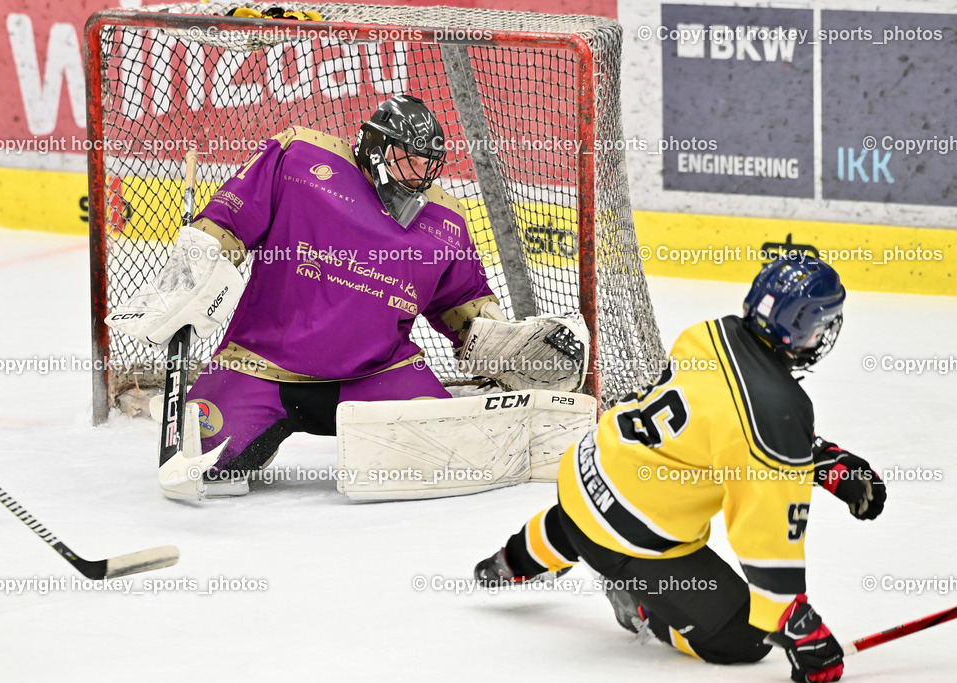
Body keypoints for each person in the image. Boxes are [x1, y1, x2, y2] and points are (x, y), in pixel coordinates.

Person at [474, 256, 887, 683]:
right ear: (802, 326)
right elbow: (763, 533)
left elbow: (722, 423)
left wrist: (815, 459)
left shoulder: (713, 334)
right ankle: (640, 603)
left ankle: (509, 560)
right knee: (746, 638)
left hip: (584, 472)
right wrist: (796, 625)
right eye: (824, 321)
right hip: (626, 535)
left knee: (593, 513)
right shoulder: (776, 411)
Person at [107, 94, 501, 498]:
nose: (418, 174)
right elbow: (227, 224)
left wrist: (507, 343)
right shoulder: (297, 158)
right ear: (376, 146)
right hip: (260, 366)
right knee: (210, 470)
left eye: (426, 164)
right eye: (407, 158)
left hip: (377, 375)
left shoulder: (444, 220)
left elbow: (466, 305)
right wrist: (188, 278)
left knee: (459, 454)